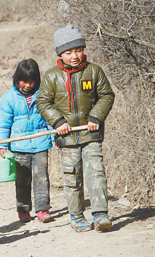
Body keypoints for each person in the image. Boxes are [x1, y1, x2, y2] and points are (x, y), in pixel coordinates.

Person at [37, 25, 115, 232]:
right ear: (60, 54)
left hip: (92, 135)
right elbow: (43, 102)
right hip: (67, 138)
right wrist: (58, 122)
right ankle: (77, 216)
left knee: (96, 173)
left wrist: (96, 116)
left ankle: (100, 215)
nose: (74, 56)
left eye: (78, 50)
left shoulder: (94, 71)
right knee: (72, 177)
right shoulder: (51, 77)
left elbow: (107, 96)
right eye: (68, 52)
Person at [0, 58, 54, 223]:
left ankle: (43, 210)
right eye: (24, 81)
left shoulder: (43, 94)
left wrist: (53, 137)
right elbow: (3, 124)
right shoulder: (9, 97)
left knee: (41, 178)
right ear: (17, 79)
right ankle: (23, 210)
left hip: (40, 142)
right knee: (22, 180)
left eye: (32, 81)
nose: (28, 85)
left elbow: (50, 117)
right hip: (19, 145)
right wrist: (2, 144)